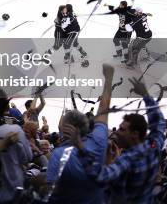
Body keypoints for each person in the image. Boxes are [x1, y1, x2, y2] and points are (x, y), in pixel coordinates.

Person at [46, 64, 115, 203]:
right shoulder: (99, 142)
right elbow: (104, 107)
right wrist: (108, 78)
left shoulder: (59, 155)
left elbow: (50, 189)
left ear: (66, 130)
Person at [93, 77, 166, 203]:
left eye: (122, 129)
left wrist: (106, 159)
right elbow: (159, 124)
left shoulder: (128, 159)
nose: (116, 132)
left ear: (134, 134)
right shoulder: (154, 146)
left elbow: (102, 179)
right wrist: (146, 95)